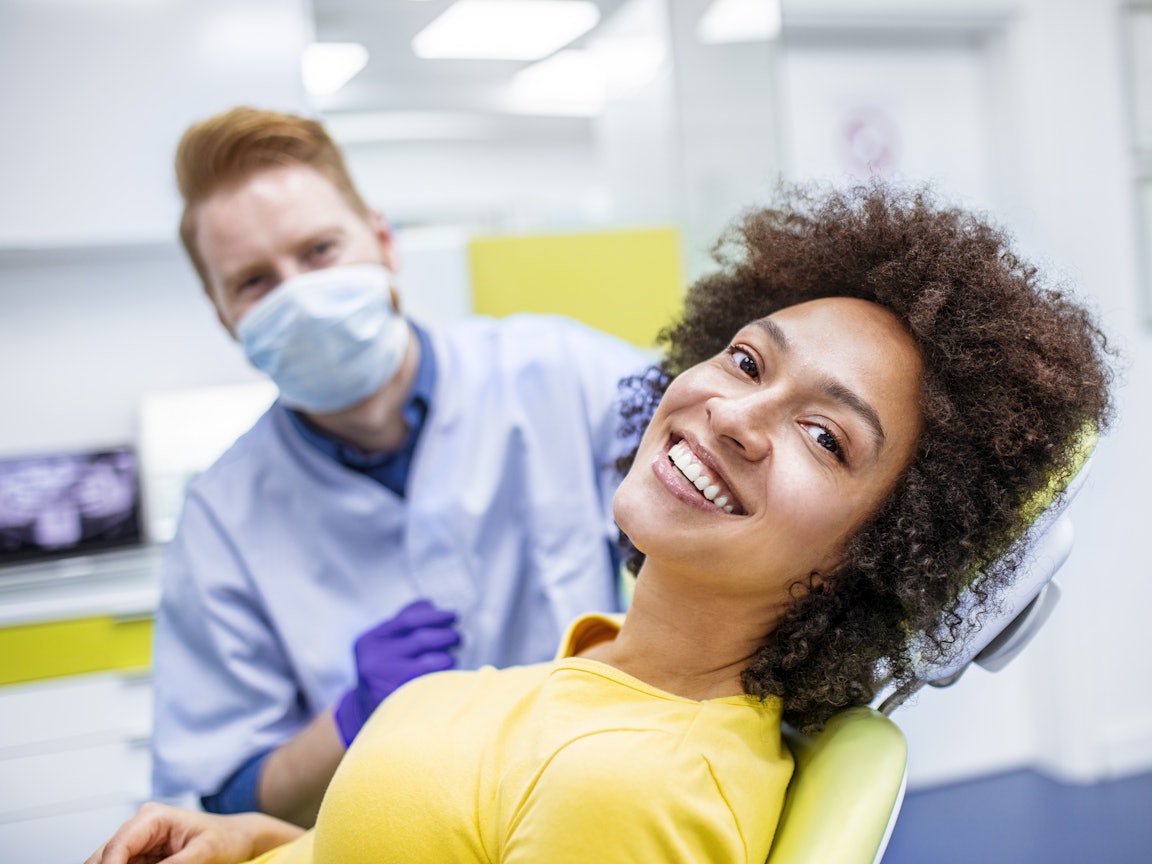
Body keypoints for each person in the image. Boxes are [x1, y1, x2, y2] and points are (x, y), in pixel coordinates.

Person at [94, 182, 1113, 863]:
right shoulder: (595, 683)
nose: (735, 415)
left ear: (878, 555)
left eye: (826, 439)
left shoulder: (637, 785)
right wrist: (264, 845)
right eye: (749, 361)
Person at [150, 106, 650, 825]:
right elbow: (228, 792)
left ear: (383, 241)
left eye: (319, 252)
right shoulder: (222, 518)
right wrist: (355, 717)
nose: (300, 295)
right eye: (256, 282)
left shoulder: (564, 374)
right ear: (222, 313)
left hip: (599, 806)